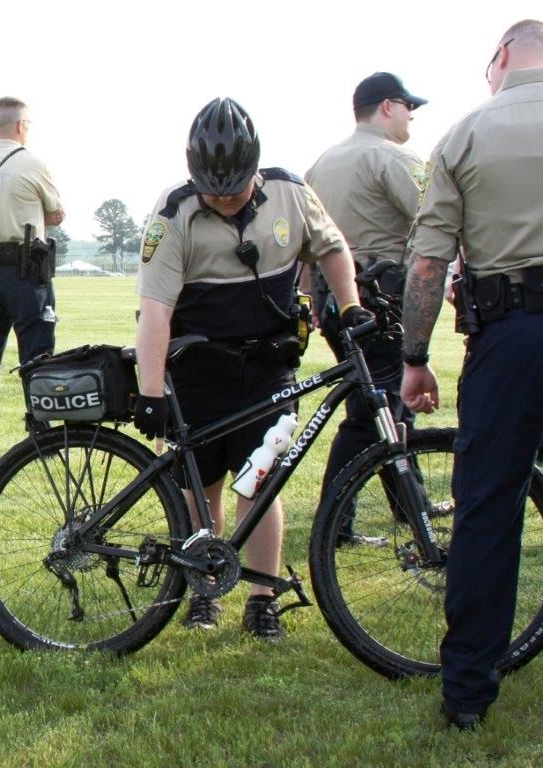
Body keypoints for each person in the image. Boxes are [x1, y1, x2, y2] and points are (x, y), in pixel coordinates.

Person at [399, 20, 543, 729]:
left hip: (505, 338)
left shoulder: (465, 135)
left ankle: (467, 695)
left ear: (500, 56)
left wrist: (413, 360)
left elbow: (425, 266)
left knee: (486, 516)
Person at [134, 97, 366, 640]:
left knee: (258, 483)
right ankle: (202, 590)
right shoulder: (173, 214)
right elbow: (156, 311)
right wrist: (150, 391)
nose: (225, 200)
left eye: (234, 189)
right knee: (199, 488)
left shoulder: (290, 192)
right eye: (212, 190)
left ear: (255, 168)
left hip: (267, 370)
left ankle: (261, 598)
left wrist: (350, 304)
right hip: (197, 374)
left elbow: (332, 249)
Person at [305, 72, 428, 543]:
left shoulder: (322, 163)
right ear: (388, 106)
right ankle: (336, 522)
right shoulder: (393, 157)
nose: (412, 116)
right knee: (370, 410)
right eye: (408, 106)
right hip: (382, 297)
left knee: (390, 404)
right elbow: (433, 220)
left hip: (335, 298)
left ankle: (408, 503)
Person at [0, 96, 65, 458]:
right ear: (21, 125)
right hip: (26, 273)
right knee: (37, 359)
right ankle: (43, 439)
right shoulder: (31, 162)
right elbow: (55, 214)